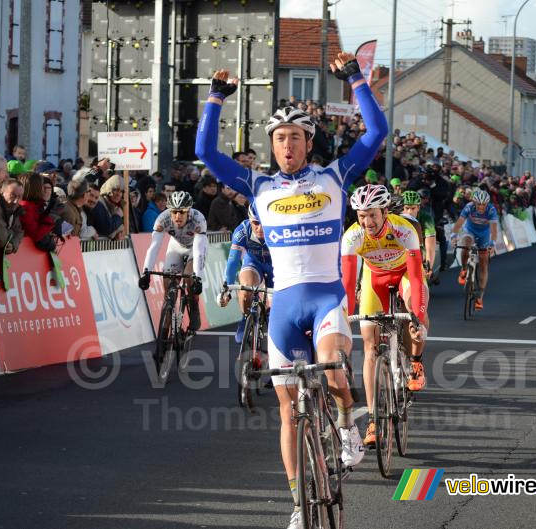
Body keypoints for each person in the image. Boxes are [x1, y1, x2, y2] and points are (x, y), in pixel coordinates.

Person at [195, 51, 387, 529]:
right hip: (284, 306)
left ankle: (346, 423)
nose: (286, 145)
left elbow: (376, 133)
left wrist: (356, 79)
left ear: (309, 142)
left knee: (336, 370)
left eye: (295, 138)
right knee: (286, 410)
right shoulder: (257, 185)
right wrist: (216, 97)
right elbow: (205, 152)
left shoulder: (335, 175)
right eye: (279, 138)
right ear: (273, 145)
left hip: (325, 299)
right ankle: (299, 502)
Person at [341, 184, 428, 448]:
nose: (367, 222)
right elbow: (347, 284)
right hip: (374, 279)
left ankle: (415, 361)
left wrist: (418, 318)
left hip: (403, 274)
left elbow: (415, 274)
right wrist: (343, 317)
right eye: (361, 216)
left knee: (415, 307)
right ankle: (373, 419)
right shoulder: (352, 237)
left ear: (385, 211)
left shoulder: (404, 229)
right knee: (369, 346)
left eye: (372, 215)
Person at [138, 191, 208, 330]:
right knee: (169, 289)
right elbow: (154, 247)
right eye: (174, 212)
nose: (177, 216)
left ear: (188, 211)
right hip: (175, 247)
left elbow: (199, 251)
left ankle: (193, 307)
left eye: (182, 212)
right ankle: (163, 339)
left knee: (189, 279)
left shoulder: (198, 219)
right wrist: (145, 272)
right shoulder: (162, 219)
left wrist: (198, 278)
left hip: (194, 247)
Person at [218, 203, 273, 344]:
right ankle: (245, 318)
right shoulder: (242, 231)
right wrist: (227, 289)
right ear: (250, 220)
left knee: (276, 310)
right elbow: (232, 262)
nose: (260, 228)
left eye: (264, 223)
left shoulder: (278, 227)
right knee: (246, 289)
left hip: (276, 266)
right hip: (253, 264)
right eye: (256, 223)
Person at [451, 189, 498, 311]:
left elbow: (493, 229)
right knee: (465, 244)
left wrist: (492, 243)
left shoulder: (491, 210)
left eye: (484, 204)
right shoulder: (469, 207)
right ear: (474, 202)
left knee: (483, 262)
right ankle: (464, 269)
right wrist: (453, 236)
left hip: (484, 234)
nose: (481, 207)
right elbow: (459, 222)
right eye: (479, 204)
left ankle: (480, 297)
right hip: (470, 231)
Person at [18, 172, 60, 252]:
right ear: (36, 188)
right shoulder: (26, 207)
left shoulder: (34, 205)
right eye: (42, 186)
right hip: (25, 253)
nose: (43, 190)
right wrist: (50, 217)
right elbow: (36, 235)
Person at [402, 190, 437, 279]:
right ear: (402, 208)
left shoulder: (426, 218)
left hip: (419, 247)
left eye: (413, 208)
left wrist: (429, 266)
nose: (409, 212)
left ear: (418, 207)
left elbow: (430, 244)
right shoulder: (396, 217)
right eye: (406, 208)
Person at [0, 179, 24, 253]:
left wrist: (13, 244)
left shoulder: (15, 210)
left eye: (19, 197)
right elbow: (1, 239)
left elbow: (19, 232)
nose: (16, 201)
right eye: (13, 195)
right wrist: (11, 233)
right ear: (1, 192)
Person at [92, 174, 125, 239]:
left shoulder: (114, 206)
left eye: (121, 191)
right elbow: (108, 230)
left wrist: (119, 232)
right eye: (115, 190)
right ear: (109, 190)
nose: (119, 194)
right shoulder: (99, 203)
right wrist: (118, 216)